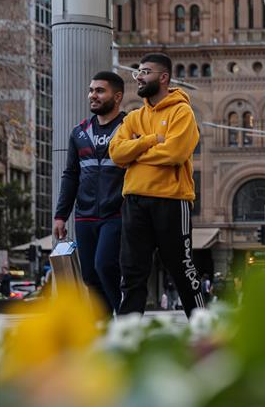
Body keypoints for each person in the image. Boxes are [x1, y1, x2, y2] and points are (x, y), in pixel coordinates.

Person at [109, 52, 205, 317]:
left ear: (163, 78)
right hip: (134, 202)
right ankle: (129, 335)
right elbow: (116, 153)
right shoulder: (132, 117)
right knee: (131, 272)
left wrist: (135, 156)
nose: (139, 77)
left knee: (183, 270)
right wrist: (150, 140)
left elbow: (175, 153)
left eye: (145, 72)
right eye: (138, 72)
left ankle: (203, 330)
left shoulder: (181, 112)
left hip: (172, 201)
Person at [53, 71, 127, 313]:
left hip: (117, 214)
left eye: (99, 90)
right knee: (90, 276)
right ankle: (104, 330)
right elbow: (70, 175)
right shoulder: (79, 132)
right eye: (91, 90)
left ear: (117, 97)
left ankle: (126, 319)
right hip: (84, 217)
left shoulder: (130, 128)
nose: (92, 95)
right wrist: (60, 215)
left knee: (105, 265)